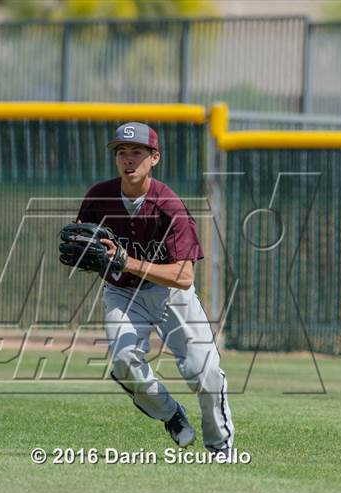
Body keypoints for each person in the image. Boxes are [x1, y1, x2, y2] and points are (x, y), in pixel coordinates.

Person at [76, 122, 234, 455]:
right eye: (122, 153)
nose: (128, 160)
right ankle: (171, 414)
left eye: (137, 153)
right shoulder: (98, 197)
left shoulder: (169, 206)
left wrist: (128, 262)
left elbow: (184, 276)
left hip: (170, 295)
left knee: (204, 373)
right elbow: (82, 240)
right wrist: (84, 254)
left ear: (154, 158)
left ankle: (220, 445)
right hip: (122, 293)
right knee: (123, 362)